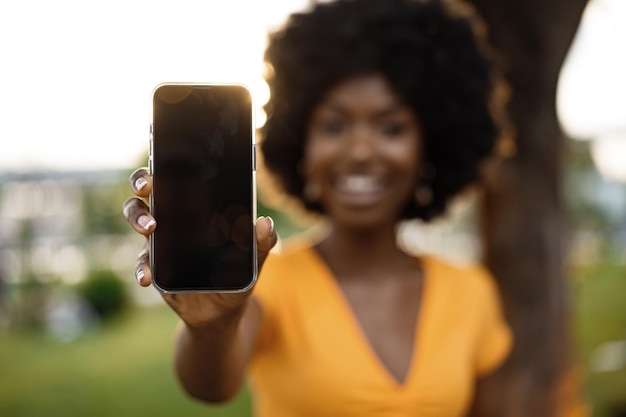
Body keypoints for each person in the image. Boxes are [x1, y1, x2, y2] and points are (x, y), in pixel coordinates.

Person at [123, 0, 576, 416]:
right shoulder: (269, 283)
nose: (360, 151)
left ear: (430, 145)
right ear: (301, 143)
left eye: (391, 127)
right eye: (335, 125)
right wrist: (212, 327)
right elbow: (210, 386)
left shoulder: (469, 292)